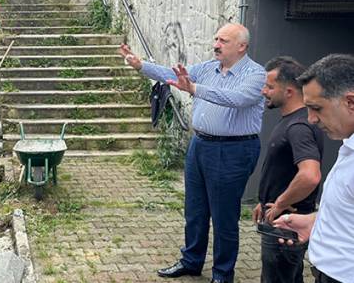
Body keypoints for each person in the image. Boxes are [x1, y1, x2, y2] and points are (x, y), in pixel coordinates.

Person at [119, 23, 266, 283]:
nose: (216, 44)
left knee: (224, 216)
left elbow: (237, 98)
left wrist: (195, 89)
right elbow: (172, 75)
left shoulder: (255, 74)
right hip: (200, 145)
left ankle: (222, 274)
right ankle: (191, 261)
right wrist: (141, 65)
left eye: (223, 40)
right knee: (195, 210)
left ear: (241, 46)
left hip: (233, 149)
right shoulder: (209, 67)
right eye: (216, 39)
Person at [273, 54, 354, 283]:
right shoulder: (348, 144)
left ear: (351, 102)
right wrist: (316, 222)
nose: (311, 119)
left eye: (316, 108)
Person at [253, 56, 323, 283]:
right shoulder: (292, 119)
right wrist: (264, 201)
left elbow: (310, 175)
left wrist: (281, 203)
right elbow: (283, 170)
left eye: (270, 86)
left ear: (290, 91)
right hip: (279, 217)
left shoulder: (298, 126)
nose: (264, 91)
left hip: (286, 224)